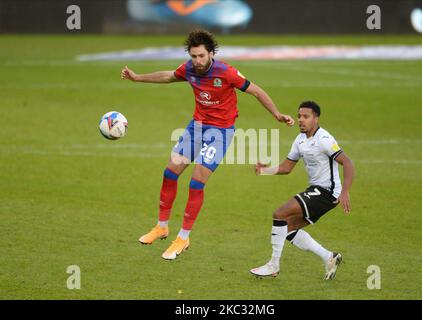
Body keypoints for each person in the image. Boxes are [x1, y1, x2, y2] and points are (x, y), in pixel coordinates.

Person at [121, 29, 294, 260]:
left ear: (211, 53)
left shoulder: (226, 72)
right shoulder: (189, 69)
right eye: (193, 56)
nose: (197, 61)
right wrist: (137, 77)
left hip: (220, 132)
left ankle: (183, 237)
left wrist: (276, 114)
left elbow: (256, 91)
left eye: (201, 56)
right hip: (197, 128)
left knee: (196, 181)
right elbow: (168, 76)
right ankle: (162, 226)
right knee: (170, 173)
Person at [250, 101, 354, 280]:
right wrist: (264, 170)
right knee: (287, 229)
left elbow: (348, 162)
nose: (300, 120)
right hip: (317, 190)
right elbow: (286, 167)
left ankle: (273, 265)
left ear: (316, 119)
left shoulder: (324, 140)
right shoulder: (300, 140)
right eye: (299, 116)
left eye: (306, 116)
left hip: (328, 193)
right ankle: (329, 257)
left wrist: (345, 191)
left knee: (280, 214)